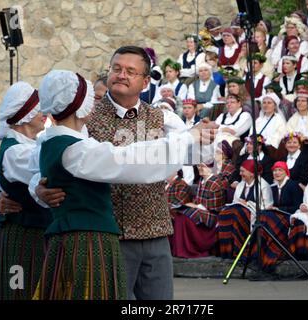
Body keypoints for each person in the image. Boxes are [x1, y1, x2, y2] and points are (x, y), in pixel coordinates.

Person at [32, 68, 207, 300]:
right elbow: (129, 161)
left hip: (83, 238)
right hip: (86, 242)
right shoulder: (75, 149)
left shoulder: (61, 139)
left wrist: (37, 186)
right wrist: (188, 137)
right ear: (79, 105)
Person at [84, 46, 218, 300]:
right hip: (109, 235)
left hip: (155, 232)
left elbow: (200, 156)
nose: (121, 75)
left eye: (130, 71)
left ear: (145, 82)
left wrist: (206, 137)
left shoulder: (162, 118)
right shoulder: (87, 118)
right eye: (116, 69)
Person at [0, 81, 52, 300]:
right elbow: (51, 175)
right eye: (39, 108)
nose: (45, 113)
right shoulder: (17, 151)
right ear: (25, 113)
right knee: (19, 291)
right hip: (23, 238)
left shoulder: (26, 145)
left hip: (32, 235)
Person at [217, 160, 273, 259]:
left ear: (252, 173)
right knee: (224, 213)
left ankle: (239, 249)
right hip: (239, 211)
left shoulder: (263, 185)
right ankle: (227, 251)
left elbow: (266, 206)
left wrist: (247, 203)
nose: (240, 174)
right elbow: (236, 201)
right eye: (240, 171)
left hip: (254, 215)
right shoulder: (241, 185)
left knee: (235, 214)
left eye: (243, 171)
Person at [170, 163, 226, 258]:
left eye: (202, 166)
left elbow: (214, 209)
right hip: (200, 210)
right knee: (179, 214)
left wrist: (195, 206)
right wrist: (193, 205)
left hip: (211, 216)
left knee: (184, 217)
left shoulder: (215, 183)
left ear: (210, 168)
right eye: (199, 166)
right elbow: (197, 200)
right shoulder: (201, 181)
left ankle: (189, 249)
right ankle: (180, 249)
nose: (199, 168)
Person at [255, 161, 303, 270]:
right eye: (275, 170)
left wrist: (279, 209)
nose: (277, 173)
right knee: (262, 216)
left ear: (286, 172)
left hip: (288, 216)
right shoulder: (273, 187)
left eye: (280, 170)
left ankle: (274, 253)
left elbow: (297, 206)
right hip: (276, 215)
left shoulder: (293, 185)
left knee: (268, 219)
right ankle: (260, 253)